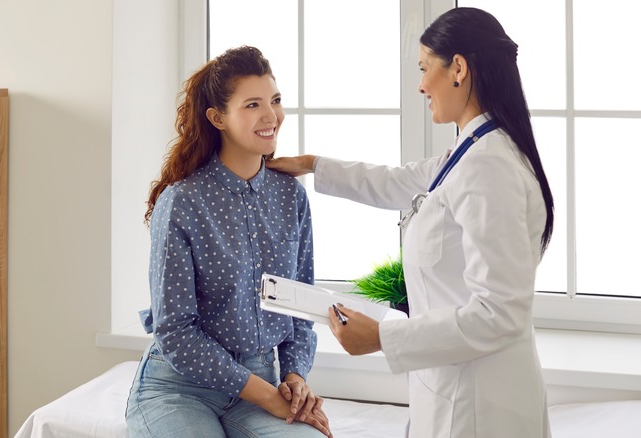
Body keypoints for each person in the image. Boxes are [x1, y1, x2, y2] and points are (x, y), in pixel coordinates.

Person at [266, 7, 554, 438]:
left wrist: (383, 338)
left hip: (478, 406)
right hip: (452, 387)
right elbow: (398, 182)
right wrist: (311, 165)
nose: (421, 85)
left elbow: (500, 313)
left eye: (424, 69)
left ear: (457, 68)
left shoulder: (490, 166)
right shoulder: (471, 148)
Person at [125, 45, 332, 438]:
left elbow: (301, 305)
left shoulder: (291, 197)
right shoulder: (182, 201)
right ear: (218, 118)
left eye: (275, 100)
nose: (271, 116)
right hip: (179, 389)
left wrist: (294, 377)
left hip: (262, 383)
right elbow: (175, 331)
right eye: (253, 104)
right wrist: (267, 396)